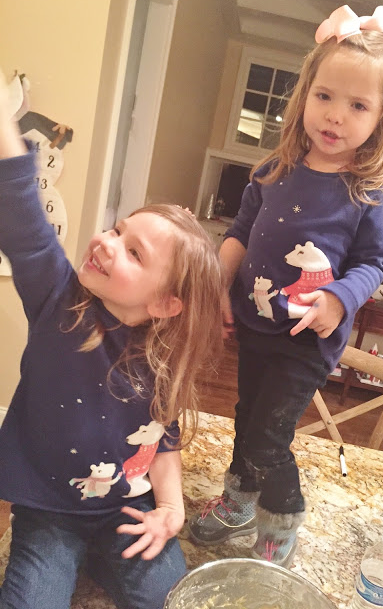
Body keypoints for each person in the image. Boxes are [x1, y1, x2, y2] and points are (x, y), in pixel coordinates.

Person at [188, 4, 383, 567]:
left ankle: (281, 518)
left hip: (306, 340)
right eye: (325, 96)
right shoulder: (273, 170)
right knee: (247, 417)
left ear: (381, 118)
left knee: (270, 434)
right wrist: (218, 287)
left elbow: (374, 264)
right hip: (255, 326)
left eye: (357, 105)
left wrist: (339, 298)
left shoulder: (365, 193)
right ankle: (240, 499)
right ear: (305, 95)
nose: (335, 116)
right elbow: (239, 235)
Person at [0, 69, 223, 609]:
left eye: (134, 253)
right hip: (48, 513)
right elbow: (22, 217)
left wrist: (170, 510)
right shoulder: (59, 300)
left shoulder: (164, 360)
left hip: (126, 511)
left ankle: (108, 557)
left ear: (165, 304)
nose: (106, 241)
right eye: (118, 230)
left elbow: (160, 441)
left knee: (178, 600)